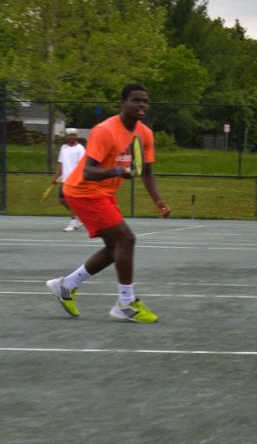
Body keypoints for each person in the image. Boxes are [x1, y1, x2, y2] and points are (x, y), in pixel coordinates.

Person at [45, 83, 172, 323]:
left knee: (116, 248)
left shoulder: (145, 133)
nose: (141, 105)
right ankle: (126, 303)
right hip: (84, 190)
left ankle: (66, 286)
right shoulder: (105, 131)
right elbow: (88, 172)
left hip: (103, 193)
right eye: (136, 100)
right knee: (126, 239)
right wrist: (116, 170)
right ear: (123, 103)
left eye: (145, 101)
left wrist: (158, 200)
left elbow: (146, 171)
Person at [54, 127, 86, 232]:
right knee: (62, 200)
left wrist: (81, 178)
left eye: (74, 135)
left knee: (71, 201)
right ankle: (78, 215)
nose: (72, 137)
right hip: (65, 180)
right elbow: (61, 163)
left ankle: (73, 223)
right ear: (67, 137)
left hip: (75, 180)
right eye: (70, 135)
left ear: (77, 136)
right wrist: (56, 177)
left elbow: (83, 165)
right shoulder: (63, 147)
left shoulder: (80, 148)